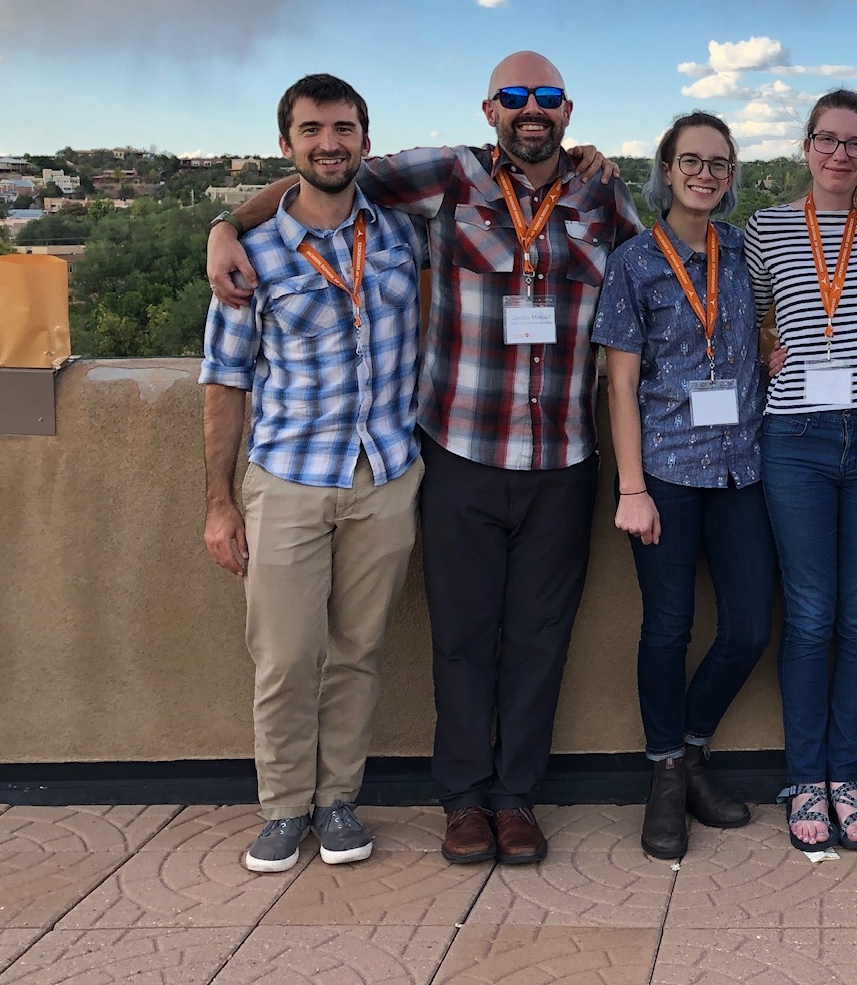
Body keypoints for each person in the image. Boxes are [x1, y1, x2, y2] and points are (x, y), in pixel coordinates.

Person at [206, 52, 636, 868]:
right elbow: (324, 180)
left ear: (569, 110)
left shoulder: (602, 191)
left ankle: (517, 798)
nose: (531, 110)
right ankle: (464, 799)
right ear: (490, 110)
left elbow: (653, 280)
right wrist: (226, 225)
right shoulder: (444, 175)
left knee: (541, 637)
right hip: (462, 449)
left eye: (546, 97)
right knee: (463, 637)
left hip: (565, 454)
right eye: (516, 97)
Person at [199, 74, 427, 874]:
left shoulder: (405, 233)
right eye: (311, 130)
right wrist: (220, 502)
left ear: (366, 137)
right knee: (287, 656)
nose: (329, 143)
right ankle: (283, 808)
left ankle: (338, 802)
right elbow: (226, 381)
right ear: (287, 144)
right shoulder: (251, 256)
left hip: (386, 472)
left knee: (358, 651)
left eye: (343, 128)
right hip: (288, 477)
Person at [594, 111, 773, 860]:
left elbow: (764, 332)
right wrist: (630, 487)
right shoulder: (634, 262)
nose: (705, 174)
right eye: (691, 161)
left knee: (748, 628)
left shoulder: (742, 254)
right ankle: (667, 772)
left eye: (720, 164)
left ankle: (691, 747)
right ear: (666, 169)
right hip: (665, 472)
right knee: (667, 628)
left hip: (741, 468)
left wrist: (775, 352)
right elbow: (621, 382)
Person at [748, 90, 857, 852]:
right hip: (797, 436)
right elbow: (737, 314)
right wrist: (759, 346)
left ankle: (848, 774)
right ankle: (805, 778)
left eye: (856, 143)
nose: (840, 154)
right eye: (827, 139)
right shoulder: (766, 228)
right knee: (810, 615)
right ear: (806, 146)